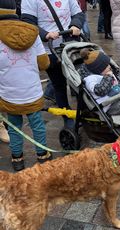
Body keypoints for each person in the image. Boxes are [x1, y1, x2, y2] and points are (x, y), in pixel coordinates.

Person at [0, 1, 52, 171]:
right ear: (15, 9)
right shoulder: (33, 32)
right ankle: (42, 154)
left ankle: (17, 159)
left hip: (9, 94)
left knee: (14, 127)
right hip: (32, 91)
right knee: (37, 125)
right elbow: (44, 63)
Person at [21, 0, 85, 129]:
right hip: (49, 49)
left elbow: (78, 13)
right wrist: (46, 34)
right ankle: (66, 116)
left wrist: (76, 25)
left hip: (70, 46)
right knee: (59, 85)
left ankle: (84, 112)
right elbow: (28, 23)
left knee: (81, 82)